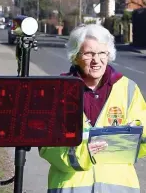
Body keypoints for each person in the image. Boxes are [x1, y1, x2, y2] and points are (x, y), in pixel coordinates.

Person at [39, 24, 146, 193]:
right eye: (89, 54)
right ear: (76, 56)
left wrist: (134, 134)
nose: (97, 60)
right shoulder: (58, 91)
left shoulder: (128, 89)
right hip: (71, 187)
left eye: (102, 53)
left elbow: (144, 138)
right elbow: (47, 146)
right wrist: (84, 154)